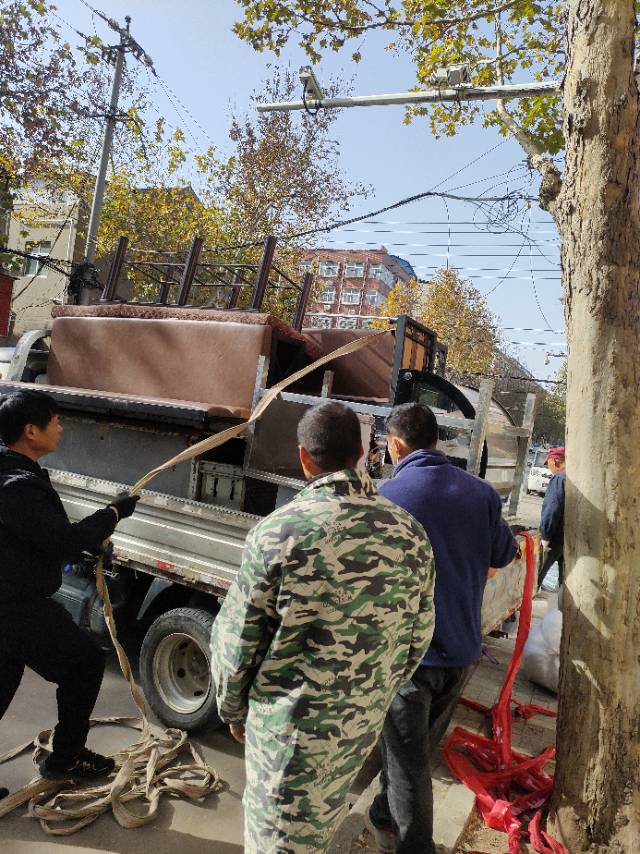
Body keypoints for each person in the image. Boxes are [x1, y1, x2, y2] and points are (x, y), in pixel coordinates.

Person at [210, 401, 436, 854]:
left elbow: (237, 644)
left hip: (288, 738)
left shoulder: (279, 534)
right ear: (361, 454)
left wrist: (232, 710)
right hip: (357, 731)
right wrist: (370, 698)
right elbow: (418, 637)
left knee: (278, 841)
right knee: (319, 829)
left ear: (304, 457)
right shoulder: (410, 534)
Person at [368, 402, 518, 854]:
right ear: (437, 440)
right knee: (415, 752)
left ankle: (415, 846)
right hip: (461, 650)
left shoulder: (386, 496)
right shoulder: (481, 493)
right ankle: (383, 813)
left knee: (409, 764)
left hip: (409, 659)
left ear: (396, 445)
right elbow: (504, 554)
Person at [0, 390, 139, 796]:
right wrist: (111, 515)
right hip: (15, 605)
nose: (61, 428)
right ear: (31, 431)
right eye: (55, 421)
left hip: (9, 599)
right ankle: (66, 759)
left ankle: (67, 756)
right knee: (84, 664)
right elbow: (62, 540)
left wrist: (84, 543)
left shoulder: (14, 472)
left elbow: (36, 537)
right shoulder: (16, 486)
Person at [538, 446, 566, 590]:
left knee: (536, 576)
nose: (549, 469)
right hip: (567, 539)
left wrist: (545, 536)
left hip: (554, 539)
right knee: (564, 583)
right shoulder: (572, 477)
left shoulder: (559, 478)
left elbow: (552, 508)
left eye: (548, 464)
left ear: (555, 461)